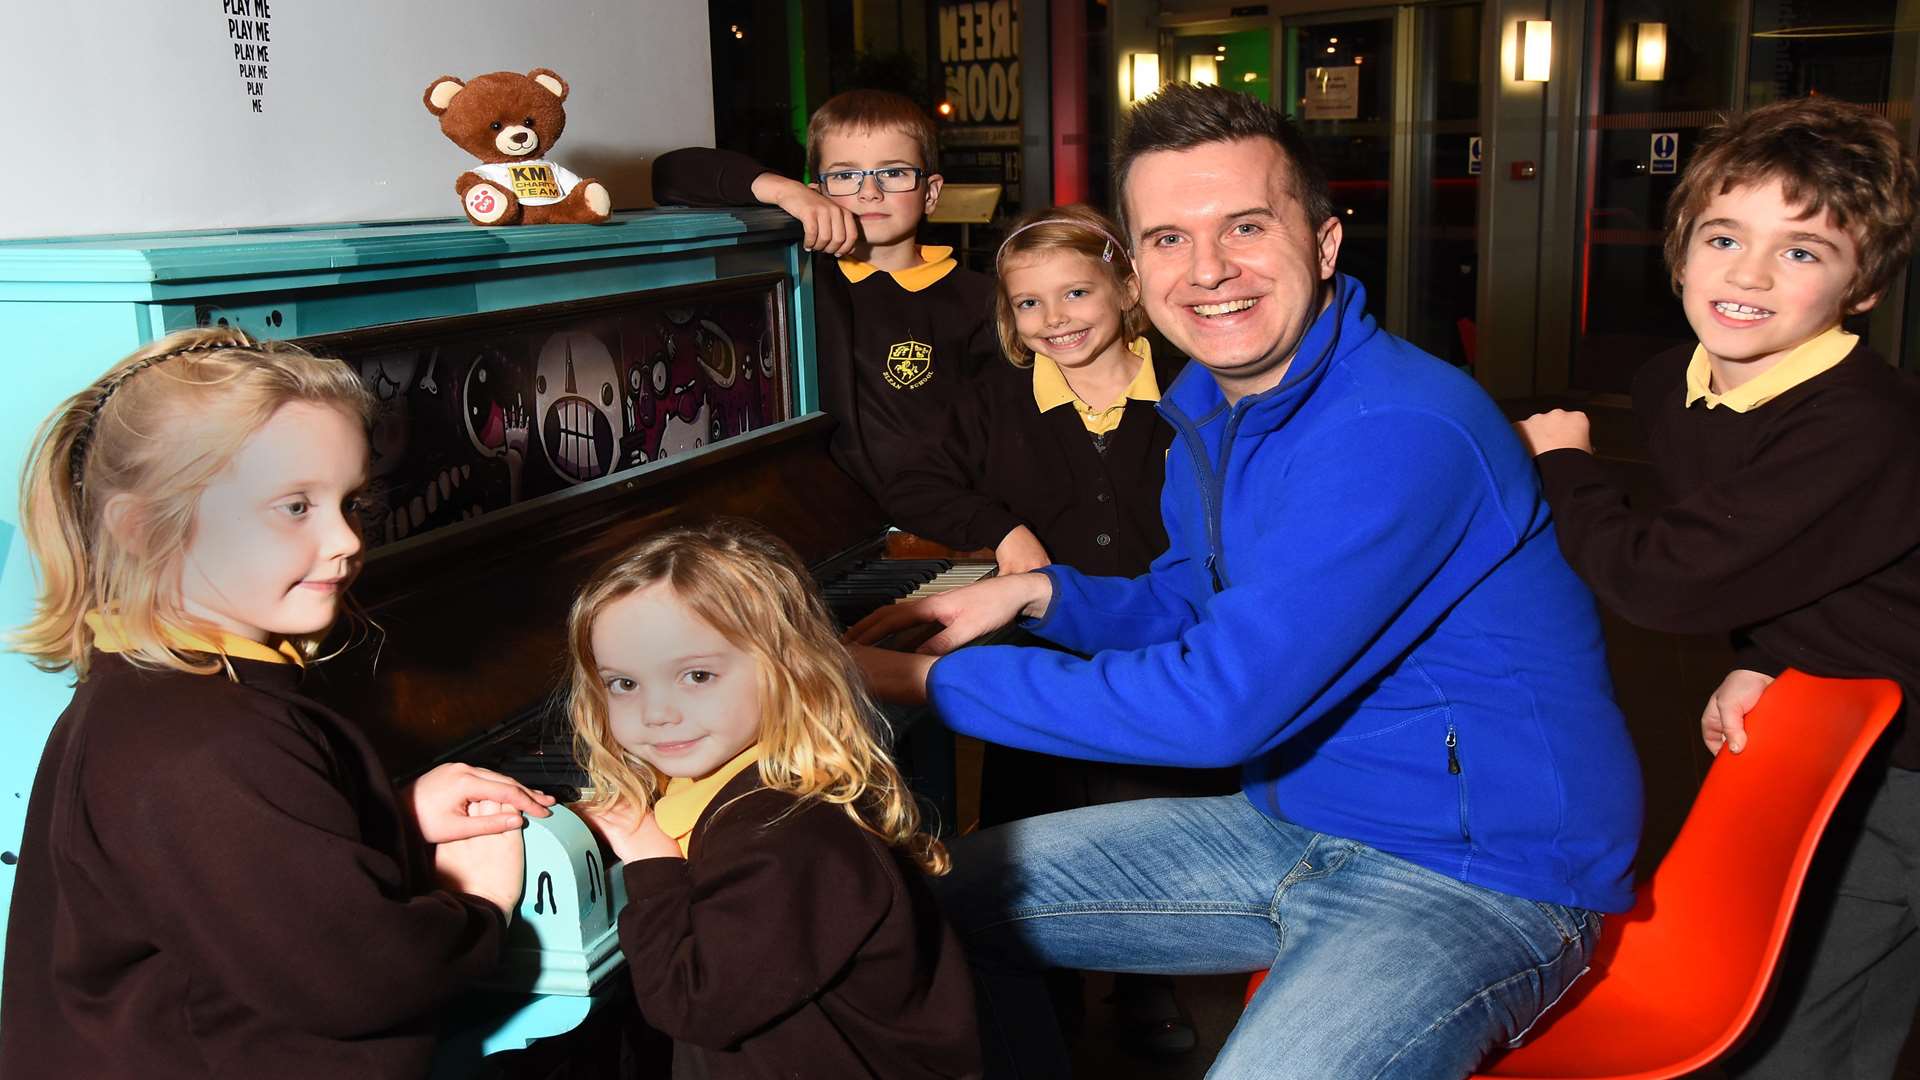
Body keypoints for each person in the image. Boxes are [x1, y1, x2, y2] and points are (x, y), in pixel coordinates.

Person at [849, 82, 1643, 1079]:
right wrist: (1040, 596)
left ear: (1324, 243)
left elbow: (1218, 710)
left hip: (1481, 874)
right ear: (1136, 268)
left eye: (1247, 226)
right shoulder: (1214, 411)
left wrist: (912, 680)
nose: (1209, 269)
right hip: (1299, 823)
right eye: (1170, 239)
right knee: (906, 909)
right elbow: (1192, 607)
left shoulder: (1396, 429)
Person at [0, 327, 552, 1078]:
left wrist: (392, 815)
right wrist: (478, 907)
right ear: (142, 529)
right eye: (295, 507)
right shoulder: (199, 744)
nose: (345, 541)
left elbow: (240, 871)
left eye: (351, 502)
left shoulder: (164, 687)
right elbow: (359, 979)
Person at [1515, 96, 1920, 1079]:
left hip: (1910, 754)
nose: (1746, 274)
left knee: (1792, 1019)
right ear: (1681, 247)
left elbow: (1664, 582)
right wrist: (1769, 656)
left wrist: (1567, 467)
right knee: (1827, 992)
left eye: (1803, 252)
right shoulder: (1679, 382)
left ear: (1861, 287)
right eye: (1725, 236)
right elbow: (1801, 553)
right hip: (1846, 714)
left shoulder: (1857, 423)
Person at [887, 202, 1236, 1056]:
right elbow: (915, 482)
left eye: (1076, 293)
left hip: (1165, 649)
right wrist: (1003, 533)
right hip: (1043, 659)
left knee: (1151, 824)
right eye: (1030, 305)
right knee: (1028, 837)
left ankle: (1146, 987)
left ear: (1124, 289)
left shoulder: (1196, 385)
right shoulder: (997, 401)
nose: (1056, 320)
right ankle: (1044, 1009)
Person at [564, 518, 981, 1079]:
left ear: (787, 669)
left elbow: (695, 1003)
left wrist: (649, 859)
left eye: (696, 675)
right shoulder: (734, 778)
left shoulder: (791, 836)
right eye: (624, 684)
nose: (656, 712)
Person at [651, 89, 999, 507]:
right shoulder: (805, 281)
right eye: (846, 175)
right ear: (820, 189)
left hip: (945, 517)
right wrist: (786, 192)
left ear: (930, 192)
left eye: (893, 173)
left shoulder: (981, 301)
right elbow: (671, 174)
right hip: (822, 516)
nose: (870, 192)